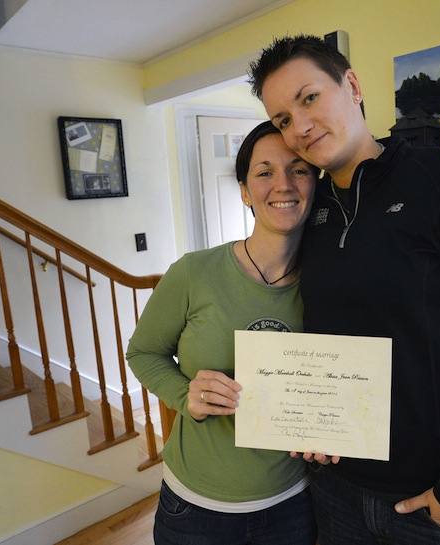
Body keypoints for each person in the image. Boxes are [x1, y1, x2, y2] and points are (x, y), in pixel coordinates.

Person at [248, 35, 440, 545]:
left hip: (438, 503)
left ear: (353, 85)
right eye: (282, 120)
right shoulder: (307, 216)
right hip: (337, 492)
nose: (300, 127)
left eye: (309, 98)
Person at [126, 120, 319, 545]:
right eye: (264, 172)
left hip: (293, 504)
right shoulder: (194, 273)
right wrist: (185, 396)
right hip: (195, 510)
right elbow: (142, 353)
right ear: (245, 191)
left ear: (315, 183)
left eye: (299, 169)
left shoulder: (329, 286)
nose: (283, 184)